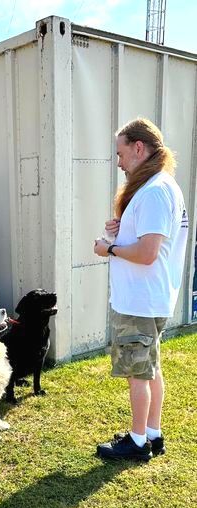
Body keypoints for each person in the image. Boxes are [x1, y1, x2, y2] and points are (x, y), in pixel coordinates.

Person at [93, 117, 188, 461]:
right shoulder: (158, 187)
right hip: (148, 300)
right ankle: (152, 433)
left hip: (140, 302)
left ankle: (136, 442)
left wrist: (110, 248)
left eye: (120, 153)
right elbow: (151, 243)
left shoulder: (155, 191)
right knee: (149, 369)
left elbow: (148, 254)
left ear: (138, 147)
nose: (118, 162)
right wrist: (119, 231)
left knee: (138, 375)